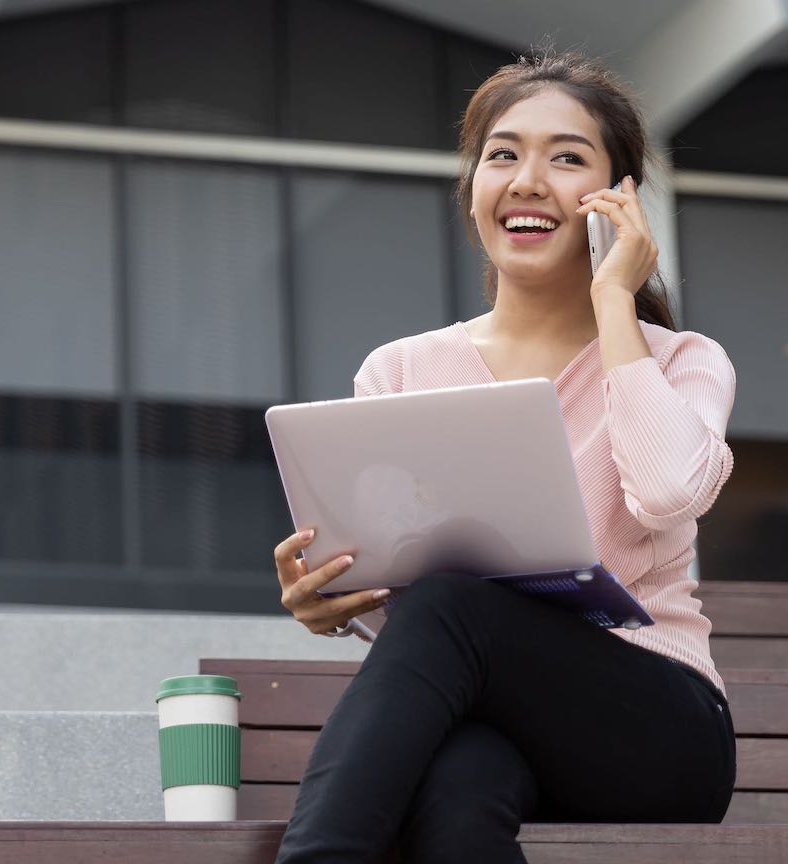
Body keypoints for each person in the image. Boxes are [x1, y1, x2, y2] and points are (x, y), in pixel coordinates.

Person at [271, 50, 738, 864]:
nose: (527, 179)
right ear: (473, 194)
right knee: (455, 794)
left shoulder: (681, 361)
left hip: (659, 730)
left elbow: (667, 493)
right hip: (497, 718)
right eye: (503, 155)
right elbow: (412, 610)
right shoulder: (399, 372)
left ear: (616, 201)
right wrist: (341, 602)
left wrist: (613, 301)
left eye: (566, 157)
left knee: (454, 605)